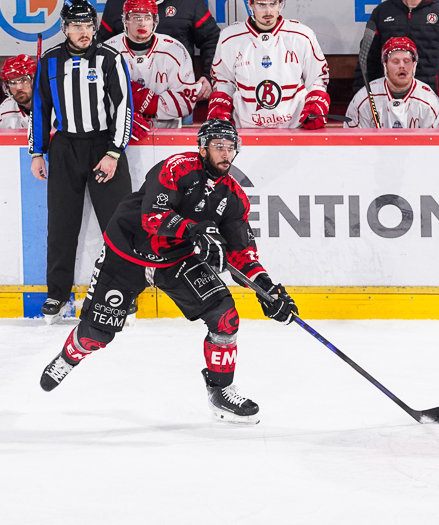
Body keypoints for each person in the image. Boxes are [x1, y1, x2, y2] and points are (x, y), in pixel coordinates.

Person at [39, 119, 298, 424]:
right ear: (202, 148)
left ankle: (221, 391)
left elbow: (242, 253)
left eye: (230, 147)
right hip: (127, 252)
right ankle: (68, 357)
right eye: (218, 146)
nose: (225, 153)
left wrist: (267, 289)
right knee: (97, 334)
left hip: (176, 260)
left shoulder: (233, 197)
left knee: (225, 316)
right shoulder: (177, 167)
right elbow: (152, 216)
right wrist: (195, 231)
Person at [29, 0, 133, 320]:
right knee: (61, 226)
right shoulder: (49, 61)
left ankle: (124, 291)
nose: (84, 31)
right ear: (65, 28)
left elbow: (123, 107)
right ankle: (57, 294)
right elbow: (39, 108)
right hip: (65, 149)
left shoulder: (110, 58)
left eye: (88, 25)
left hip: (104, 148)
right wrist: (37, 152)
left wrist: (114, 152)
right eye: (76, 26)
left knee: (118, 225)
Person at [208, 0, 330, 130]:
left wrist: (315, 105)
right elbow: (223, 80)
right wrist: (220, 108)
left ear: (281, 3)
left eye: (273, 4)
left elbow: (316, 77)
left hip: (295, 129)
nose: (268, 11)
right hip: (246, 130)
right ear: (251, 5)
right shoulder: (230, 38)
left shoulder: (302, 35)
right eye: (261, 5)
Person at [98, 0, 219, 108]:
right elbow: (101, 47)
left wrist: (208, 75)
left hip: (175, 91)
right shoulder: (115, 3)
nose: (142, 23)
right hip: (126, 96)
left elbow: (212, 38)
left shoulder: (189, 2)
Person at [104, 0, 200, 132]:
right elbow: (95, 98)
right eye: (136, 17)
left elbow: (186, 103)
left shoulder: (175, 50)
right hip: (119, 132)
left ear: (155, 21)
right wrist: (125, 117)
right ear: (125, 20)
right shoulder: (107, 51)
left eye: (147, 17)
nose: (142, 23)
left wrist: (147, 103)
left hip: (166, 134)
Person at [352, 0, 439, 103]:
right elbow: (367, 59)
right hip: (387, 99)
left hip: (431, 98)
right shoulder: (381, 12)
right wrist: (359, 96)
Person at [346, 37, 439, 129]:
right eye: (395, 62)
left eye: (406, 61)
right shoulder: (364, 98)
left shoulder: (429, 101)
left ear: (414, 64)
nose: (402, 66)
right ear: (385, 65)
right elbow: (353, 138)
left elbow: (436, 140)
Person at [0, 55, 37, 129]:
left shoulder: (54, 105)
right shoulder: (4, 112)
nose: (18, 88)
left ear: (35, 80)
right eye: (12, 83)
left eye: (23, 80)